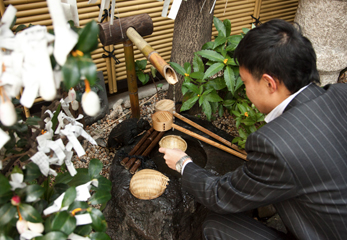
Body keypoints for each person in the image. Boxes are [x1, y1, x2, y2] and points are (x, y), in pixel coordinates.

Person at [159, 19, 347, 240]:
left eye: (246, 82)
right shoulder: (340, 94)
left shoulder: (276, 146)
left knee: (216, 225)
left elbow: (221, 195)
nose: (246, 91)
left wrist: (183, 163)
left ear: (269, 83)